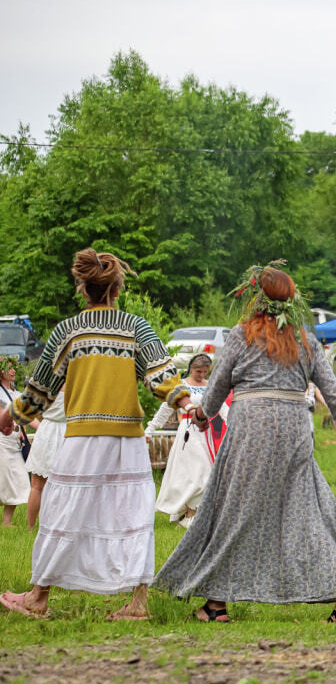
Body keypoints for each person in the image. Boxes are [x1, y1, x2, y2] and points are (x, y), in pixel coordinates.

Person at [154, 262, 336, 623]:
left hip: (251, 428)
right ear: (291, 302)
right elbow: (332, 391)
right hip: (293, 427)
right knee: (303, 511)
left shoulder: (241, 335)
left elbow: (217, 386)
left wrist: (201, 414)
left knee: (235, 510)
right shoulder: (305, 340)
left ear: (257, 297)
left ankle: (216, 605)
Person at [0, 248, 193, 620]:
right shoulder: (137, 328)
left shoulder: (67, 331)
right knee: (133, 518)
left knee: (62, 514)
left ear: (82, 288)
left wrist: (11, 416)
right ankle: (138, 604)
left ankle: (38, 598)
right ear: (117, 289)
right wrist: (186, 404)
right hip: (128, 440)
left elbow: (38, 391)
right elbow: (162, 378)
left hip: (83, 438)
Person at [149, 353, 215, 527]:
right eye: (197, 370)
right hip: (188, 432)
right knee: (194, 473)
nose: (200, 374)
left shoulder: (210, 386)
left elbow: (220, 406)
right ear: (190, 368)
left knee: (206, 472)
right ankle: (189, 512)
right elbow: (165, 410)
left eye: (204, 371)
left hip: (206, 433)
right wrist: (150, 430)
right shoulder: (182, 387)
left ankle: (192, 512)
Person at [24, 388, 66, 527]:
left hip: (47, 430)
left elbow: (27, 407)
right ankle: (52, 525)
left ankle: (31, 527)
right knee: (62, 485)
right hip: (67, 432)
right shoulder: (78, 379)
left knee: (36, 486)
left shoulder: (45, 382)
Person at [0, 361, 30, 526]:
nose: (12, 371)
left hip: (15, 442)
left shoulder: (17, 393)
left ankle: (6, 522)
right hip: (2, 440)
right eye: (8, 367)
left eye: (13, 367)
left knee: (19, 479)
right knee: (3, 480)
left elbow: (23, 417)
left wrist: (23, 432)